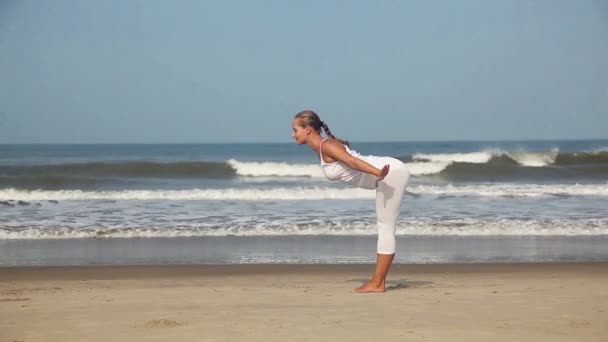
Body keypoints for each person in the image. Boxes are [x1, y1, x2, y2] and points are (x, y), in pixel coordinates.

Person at [291, 110, 410, 293]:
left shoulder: (327, 145)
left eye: (295, 130)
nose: (293, 135)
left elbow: (352, 161)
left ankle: (377, 283)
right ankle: (378, 282)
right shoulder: (324, 147)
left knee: (385, 227)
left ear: (307, 129)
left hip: (389, 172)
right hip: (383, 174)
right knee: (384, 226)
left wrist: (377, 173)